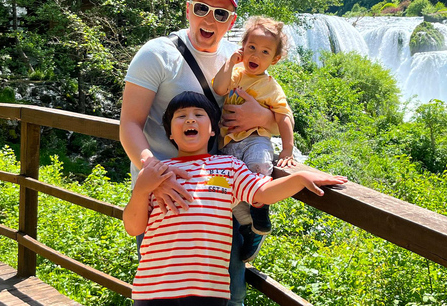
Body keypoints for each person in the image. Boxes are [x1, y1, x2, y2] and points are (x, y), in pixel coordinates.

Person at [119, 0, 276, 306]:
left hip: (218, 200)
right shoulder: (157, 55)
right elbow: (129, 125)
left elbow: (275, 112)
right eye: (202, 8)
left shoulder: (239, 60)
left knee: (227, 293)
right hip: (164, 200)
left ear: (230, 21)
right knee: (164, 292)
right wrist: (155, 176)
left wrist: (264, 118)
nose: (210, 19)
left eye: (220, 13)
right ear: (187, 10)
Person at [123, 91, 347, 304]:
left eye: (199, 115)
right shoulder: (156, 173)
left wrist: (300, 178)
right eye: (181, 116)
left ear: (213, 130)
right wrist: (142, 189)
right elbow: (134, 227)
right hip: (153, 289)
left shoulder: (228, 167)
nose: (190, 120)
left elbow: (262, 193)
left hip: (208, 290)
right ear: (170, 133)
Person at [211, 16, 294, 259]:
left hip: (256, 138)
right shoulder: (235, 73)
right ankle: (252, 228)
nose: (256, 55)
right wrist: (230, 62)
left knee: (259, 166)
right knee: (227, 188)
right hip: (227, 144)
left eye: (265, 52)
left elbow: (284, 116)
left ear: (274, 59)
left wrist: (288, 148)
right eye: (252, 48)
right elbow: (219, 88)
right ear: (242, 47)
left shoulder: (271, 86)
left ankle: (260, 209)